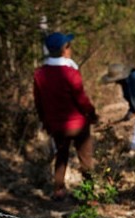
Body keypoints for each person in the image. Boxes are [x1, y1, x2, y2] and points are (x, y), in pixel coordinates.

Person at [33, 32, 99, 201]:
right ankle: (89, 193)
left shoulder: (40, 74)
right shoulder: (70, 72)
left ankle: (58, 190)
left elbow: (39, 102)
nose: (71, 49)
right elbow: (81, 99)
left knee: (61, 156)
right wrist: (92, 114)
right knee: (85, 159)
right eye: (69, 46)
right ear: (64, 50)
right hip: (77, 124)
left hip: (56, 125)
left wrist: (45, 121)